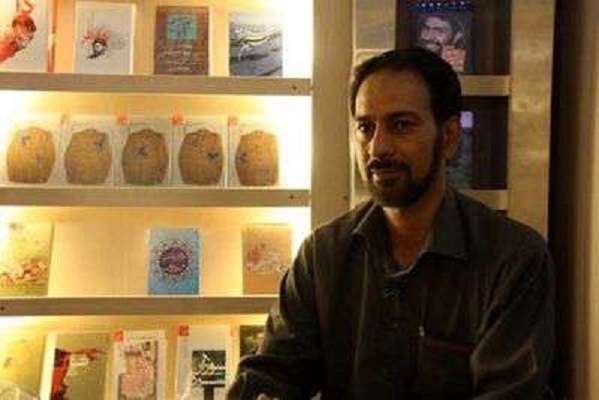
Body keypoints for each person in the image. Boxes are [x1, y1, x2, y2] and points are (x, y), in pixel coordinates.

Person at [227, 48, 555, 399]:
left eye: (401, 125)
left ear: (448, 137)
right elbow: (272, 374)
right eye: (366, 127)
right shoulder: (322, 255)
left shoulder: (513, 259)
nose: (378, 148)